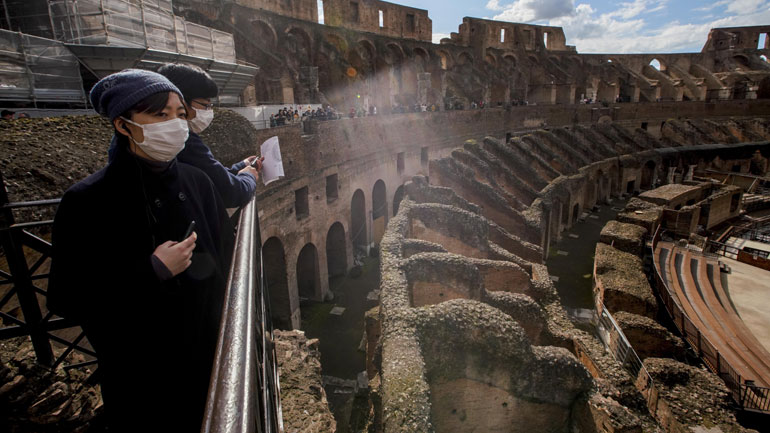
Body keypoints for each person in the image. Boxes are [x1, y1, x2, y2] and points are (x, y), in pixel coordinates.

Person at [47, 69, 235, 432]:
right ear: (123, 125)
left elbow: (228, 258)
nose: (175, 124)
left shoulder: (198, 181)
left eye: (181, 114)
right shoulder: (86, 201)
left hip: (209, 355)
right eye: (160, 115)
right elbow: (66, 299)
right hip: (142, 372)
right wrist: (151, 271)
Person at [107, 63, 260, 208]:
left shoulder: (128, 143)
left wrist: (240, 167)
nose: (207, 111)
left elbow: (210, 176)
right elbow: (229, 192)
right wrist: (249, 177)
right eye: (205, 105)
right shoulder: (176, 140)